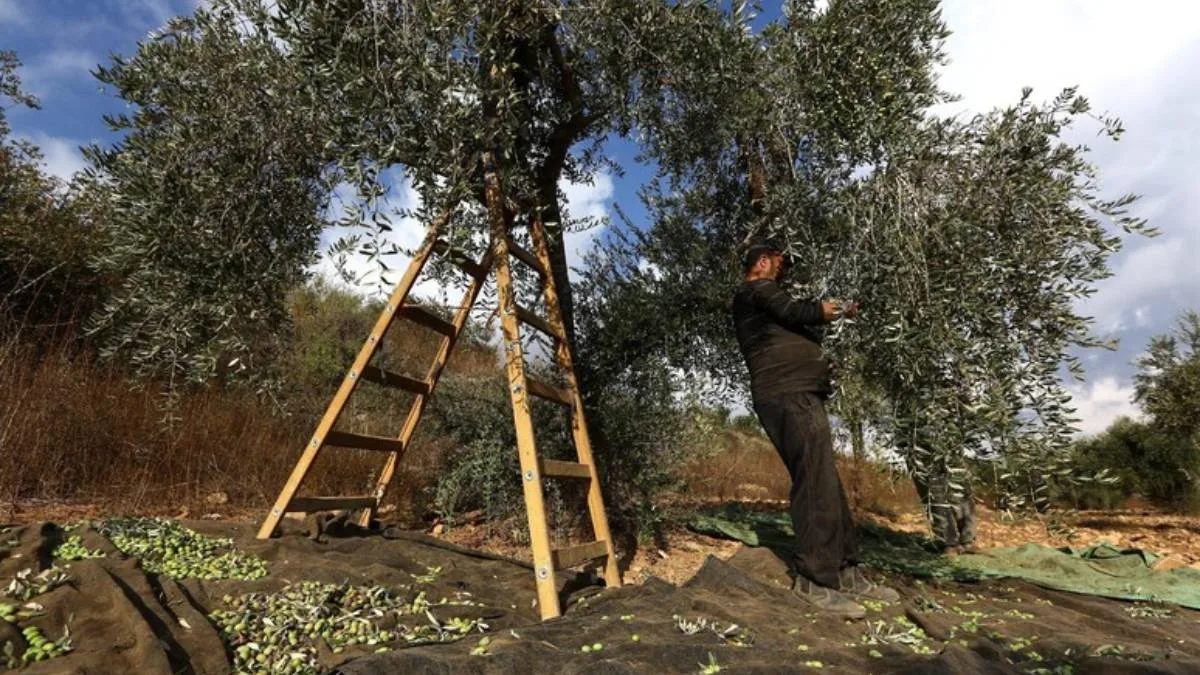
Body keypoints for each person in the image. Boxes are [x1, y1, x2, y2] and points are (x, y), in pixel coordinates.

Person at [731, 238, 898, 619]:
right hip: (788, 395)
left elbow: (789, 323)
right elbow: (796, 311)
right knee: (813, 482)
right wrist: (840, 309)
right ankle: (813, 581)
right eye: (779, 263)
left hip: (800, 394)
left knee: (827, 483)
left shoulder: (763, 297)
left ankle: (845, 570)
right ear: (761, 263)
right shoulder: (755, 290)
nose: (783, 270)